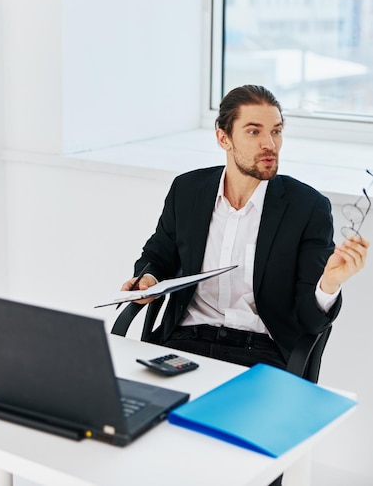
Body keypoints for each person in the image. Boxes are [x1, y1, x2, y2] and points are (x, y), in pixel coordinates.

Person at [121, 84, 369, 370]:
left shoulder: (307, 208)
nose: (270, 144)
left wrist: (330, 283)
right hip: (184, 344)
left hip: (260, 355)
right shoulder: (188, 190)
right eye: (254, 131)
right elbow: (157, 256)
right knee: (134, 409)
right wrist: (148, 279)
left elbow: (310, 321)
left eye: (276, 131)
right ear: (223, 138)